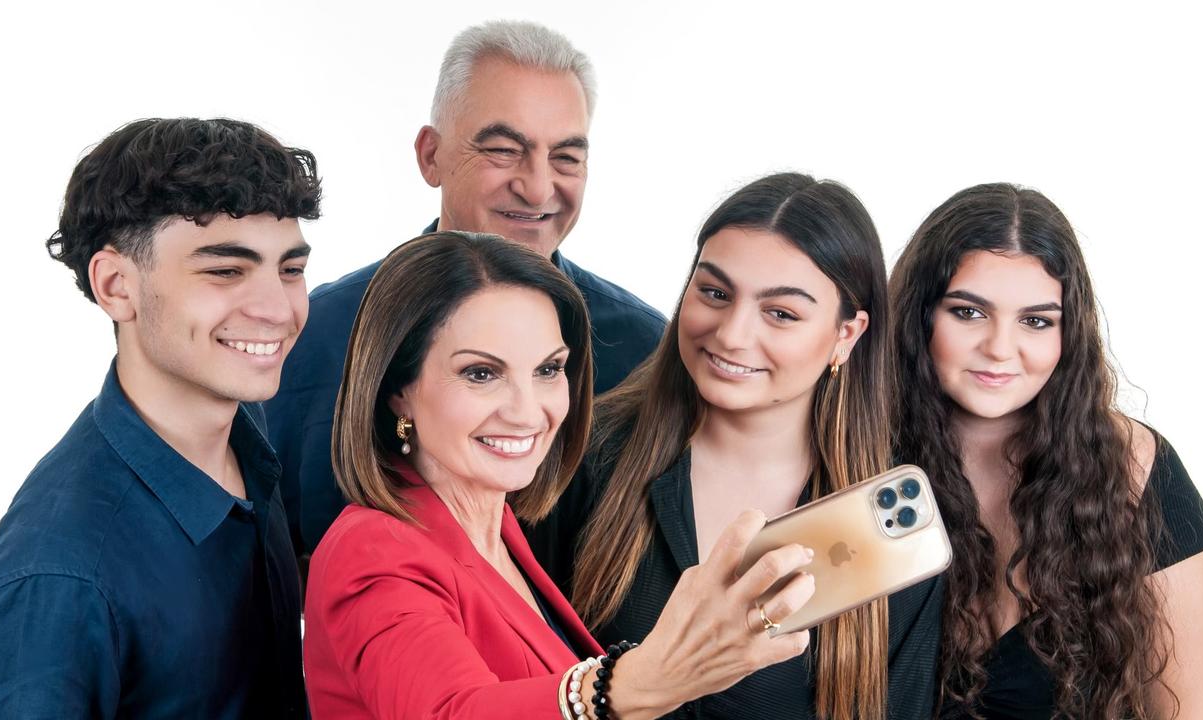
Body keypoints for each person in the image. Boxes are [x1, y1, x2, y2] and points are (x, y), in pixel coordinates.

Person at [302, 231, 819, 719]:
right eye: (481, 374)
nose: (529, 413)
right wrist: (643, 679)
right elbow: (454, 712)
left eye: (548, 370)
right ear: (397, 388)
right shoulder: (371, 552)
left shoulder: (498, 528)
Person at [528, 172, 944, 720]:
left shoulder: (886, 536)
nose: (731, 334)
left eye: (781, 313)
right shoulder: (582, 456)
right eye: (715, 293)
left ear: (847, 335)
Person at [0, 118, 320, 718]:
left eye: (291, 269)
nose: (278, 309)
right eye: (225, 271)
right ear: (117, 285)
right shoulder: (62, 579)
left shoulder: (248, 442)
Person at [265, 20, 665, 558]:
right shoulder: (310, 339)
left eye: (566, 157)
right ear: (431, 156)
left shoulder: (646, 353)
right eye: (503, 149)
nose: (539, 186)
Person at [888, 183, 1203, 719]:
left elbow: (1193, 711)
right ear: (918, 317)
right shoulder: (860, 463)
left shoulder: (1132, 465)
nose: (1000, 348)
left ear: (1069, 335)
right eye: (969, 313)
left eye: (1036, 321)